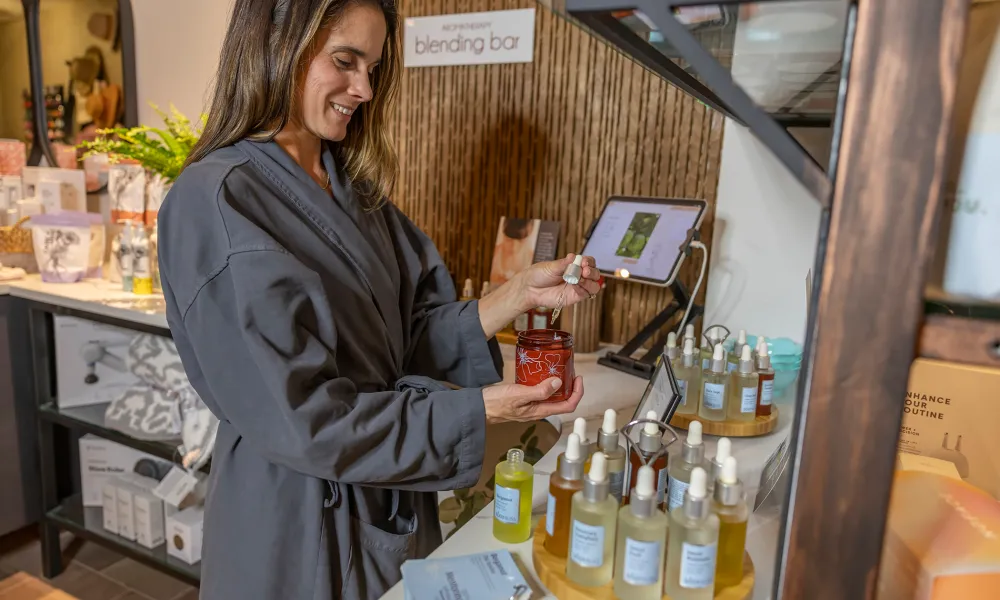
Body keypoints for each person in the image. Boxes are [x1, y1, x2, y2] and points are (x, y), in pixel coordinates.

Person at [156, 1, 602, 599]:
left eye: (374, 66)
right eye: (345, 61)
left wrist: (512, 298)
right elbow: (306, 420)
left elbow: (402, 337)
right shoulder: (219, 201)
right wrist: (482, 409)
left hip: (384, 495)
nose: (363, 88)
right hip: (296, 521)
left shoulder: (351, 187)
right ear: (274, 45)